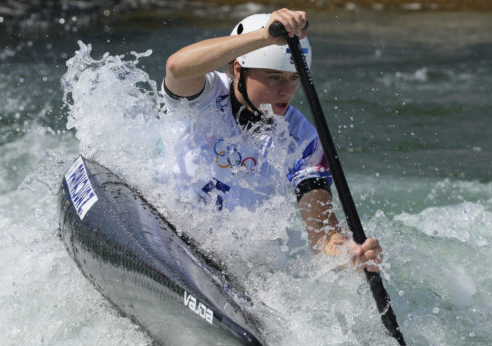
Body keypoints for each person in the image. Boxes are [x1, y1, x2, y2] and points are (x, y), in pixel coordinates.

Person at [162, 8, 382, 272]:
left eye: (293, 78)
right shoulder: (205, 93)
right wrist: (264, 37)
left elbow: (323, 238)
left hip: (230, 260)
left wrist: (351, 254)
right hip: (164, 224)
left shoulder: (303, 139)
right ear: (238, 69)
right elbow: (177, 67)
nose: (286, 90)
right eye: (274, 77)